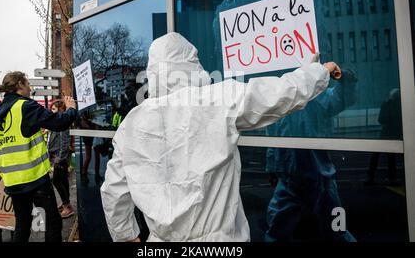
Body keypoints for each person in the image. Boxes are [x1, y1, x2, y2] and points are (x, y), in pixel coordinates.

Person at [100, 32, 341, 242]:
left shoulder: (131, 123)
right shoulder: (217, 100)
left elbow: (113, 190)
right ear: (190, 62)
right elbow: (279, 94)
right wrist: (318, 72)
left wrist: (126, 236)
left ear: (153, 70)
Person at [264, 69, 358, 242]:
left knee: (335, 229)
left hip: (317, 175)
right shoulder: (280, 101)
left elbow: (338, 99)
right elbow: (272, 138)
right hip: (293, 177)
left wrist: (346, 80)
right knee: (278, 227)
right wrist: (272, 167)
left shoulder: (314, 97)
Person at [0, 71, 77, 242]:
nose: (30, 88)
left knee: (23, 223)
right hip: (35, 179)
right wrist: (71, 108)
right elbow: (59, 122)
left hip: (12, 181)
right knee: (52, 222)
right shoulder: (25, 107)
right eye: (28, 84)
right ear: (19, 84)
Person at [365, 89, 402, 186]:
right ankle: (392, 178)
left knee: (376, 155)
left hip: (385, 133)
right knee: (391, 157)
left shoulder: (386, 104)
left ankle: (371, 177)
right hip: (396, 133)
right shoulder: (401, 106)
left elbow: (381, 119)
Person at [47, 100, 74, 219]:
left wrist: (60, 158)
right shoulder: (57, 122)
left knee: (57, 181)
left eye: (53, 109)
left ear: (61, 109)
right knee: (63, 180)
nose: (51, 111)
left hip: (60, 157)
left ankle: (68, 206)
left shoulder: (62, 123)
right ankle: (65, 203)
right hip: (56, 156)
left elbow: (64, 142)